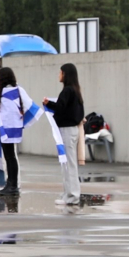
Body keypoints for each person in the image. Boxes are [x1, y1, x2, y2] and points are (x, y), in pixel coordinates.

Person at [44, 62, 86, 206]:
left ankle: (72, 196)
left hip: (67, 130)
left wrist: (48, 103)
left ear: (65, 74)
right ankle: (68, 193)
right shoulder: (75, 90)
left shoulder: (67, 91)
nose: (58, 75)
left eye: (60, 72)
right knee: (67, 163)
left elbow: (60, 108)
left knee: (69, 164)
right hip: (71, 129)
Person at [0, 66, 28, 195]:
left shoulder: (4, 92)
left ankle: (12, 185)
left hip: (6, 128)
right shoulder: (17, 90)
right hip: (14, 127)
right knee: (11, 157)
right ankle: (11, 183)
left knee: (10, 157)